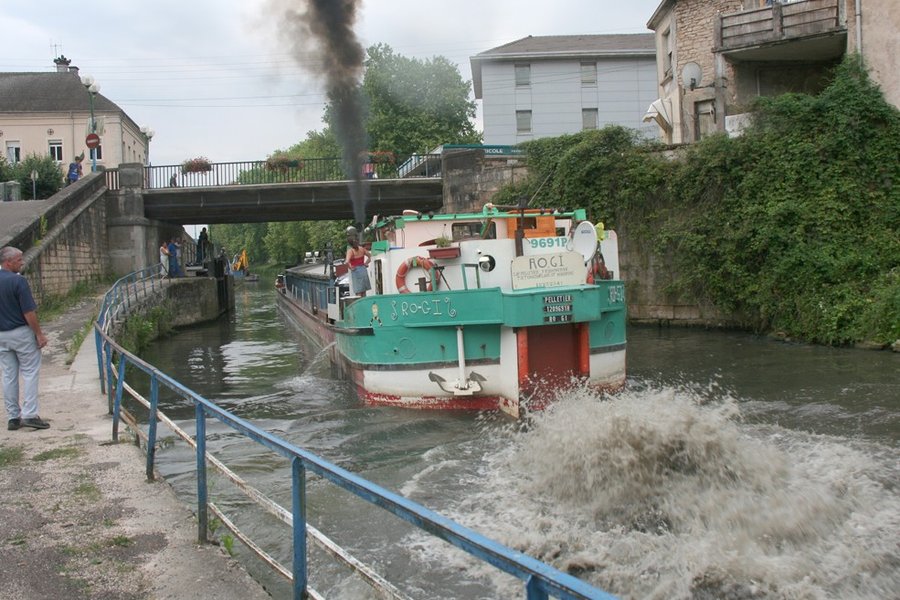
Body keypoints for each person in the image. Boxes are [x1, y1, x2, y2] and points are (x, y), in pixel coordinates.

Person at [0, 246, 50, 430]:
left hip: (1, 335)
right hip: (20, 332)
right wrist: (39, 334)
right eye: (19, 260)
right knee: (29, 372)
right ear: (8, 262)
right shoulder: (18, 281)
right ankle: (29, 414)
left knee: (8, 375)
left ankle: (13, 417)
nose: (22, 262)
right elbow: (29, 312)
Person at [345, 227, 371, 296]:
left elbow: (347, 262)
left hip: (356, 271)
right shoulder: (362, 249)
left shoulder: (350, 251)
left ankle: (360, 305)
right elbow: (370, 256)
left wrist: (351, 268)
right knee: (364, 291)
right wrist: (366, 263)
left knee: (358, 291)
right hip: (363, 269)